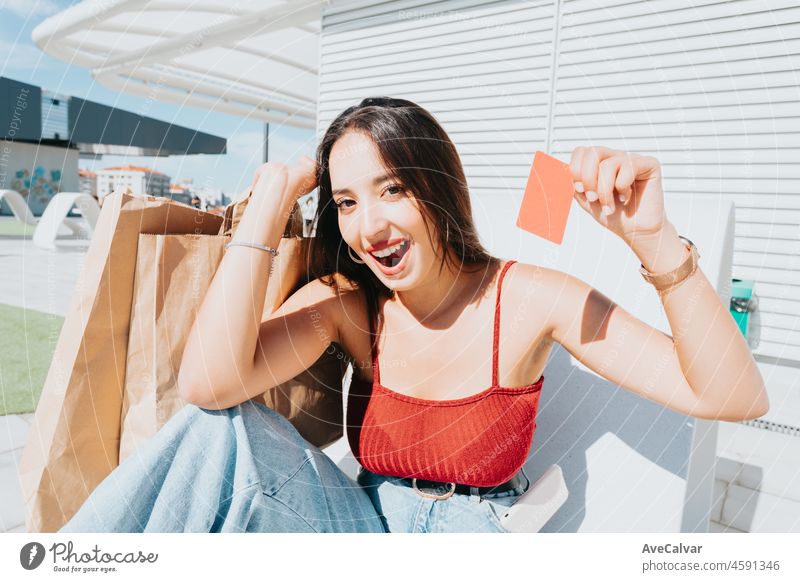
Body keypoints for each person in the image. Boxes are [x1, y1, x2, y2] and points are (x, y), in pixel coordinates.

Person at [60, 97, 769, 533]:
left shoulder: (527, 299)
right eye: (346, 201)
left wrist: (652, 238)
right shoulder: (350, 304)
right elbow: (209, 389)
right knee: (219, 432)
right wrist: (273, 198)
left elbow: (732, 396)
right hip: (356, 525)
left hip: (469, 537)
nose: (368, 225)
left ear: (438, 187)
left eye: (391, 188)